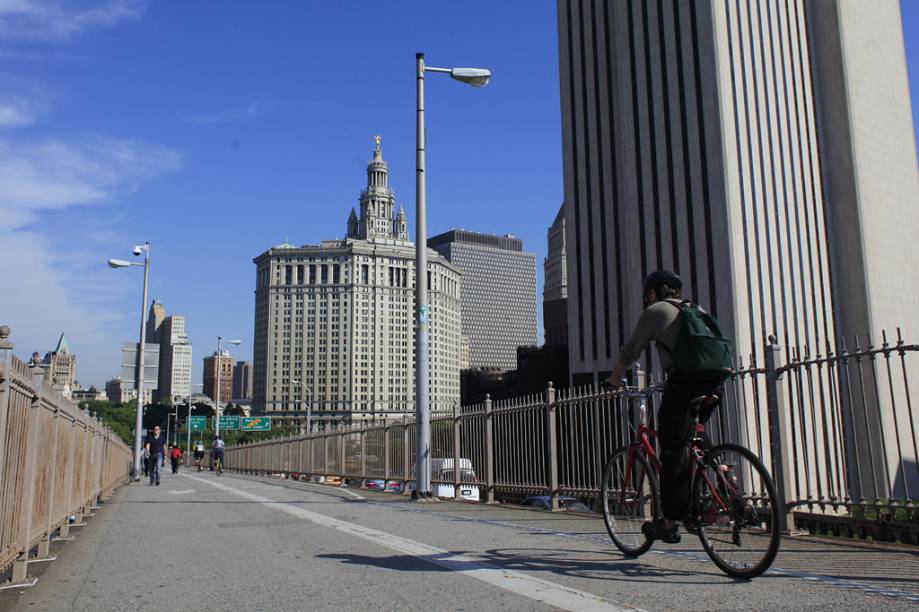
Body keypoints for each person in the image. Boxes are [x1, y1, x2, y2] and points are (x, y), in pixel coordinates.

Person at [604, 270, 726, 544]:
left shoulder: (656, 311)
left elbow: (632, 349)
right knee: (694, 432)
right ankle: (723, 479)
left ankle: (669, 522)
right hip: (715, 381)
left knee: (672, 450)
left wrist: (614, 379)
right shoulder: (696, 309)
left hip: (684, 385)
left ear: (653, 292)